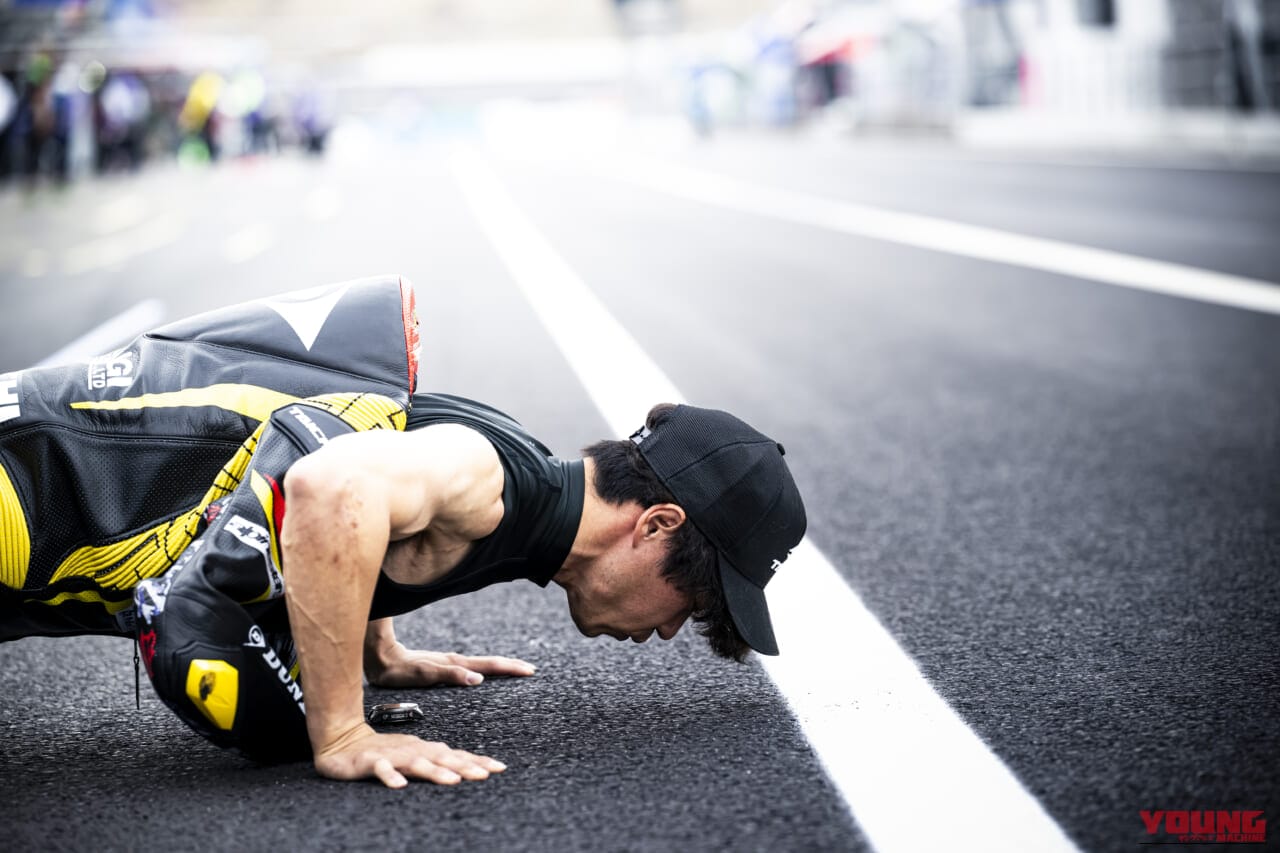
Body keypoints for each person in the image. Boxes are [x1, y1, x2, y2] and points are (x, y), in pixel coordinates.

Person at [0, 276, 807, 788]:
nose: (672, 628)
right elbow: (329, 483)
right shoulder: (493, 480)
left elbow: (362, 465)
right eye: (693, 596)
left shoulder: (515, 471)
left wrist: (374, 650)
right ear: (657, 523)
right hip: (23, 490)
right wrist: (343, 728)